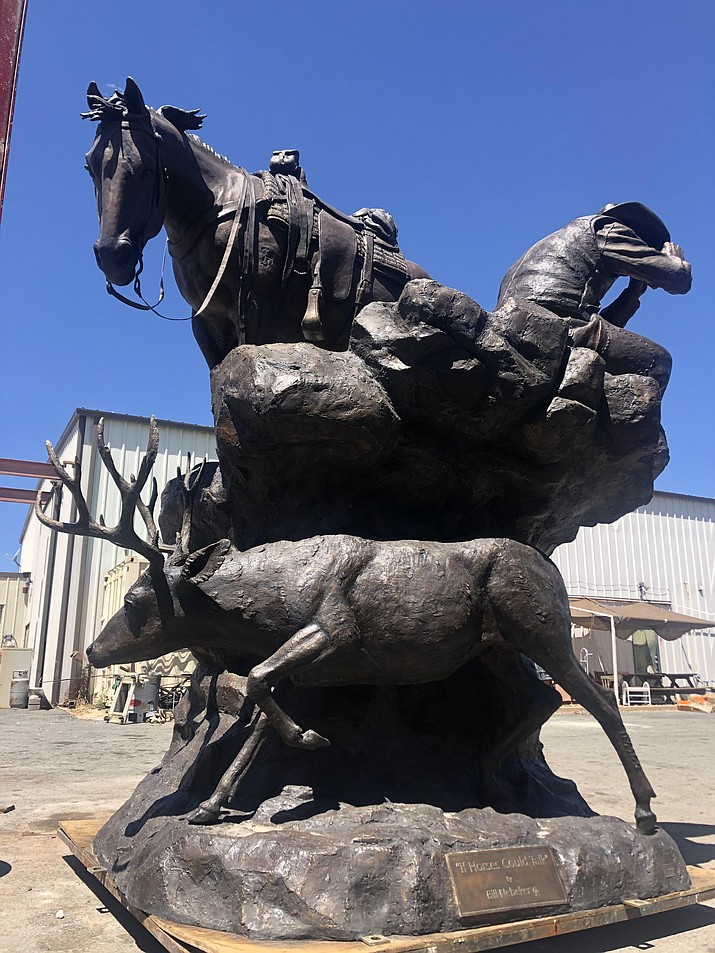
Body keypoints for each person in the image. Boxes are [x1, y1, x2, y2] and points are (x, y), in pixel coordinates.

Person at [496, 203, 692, 388]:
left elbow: (601, 327)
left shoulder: (567, 238)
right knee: (658, 360)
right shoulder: (609, 229)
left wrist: (633, 292)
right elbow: (677, 279)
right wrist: (673, 260)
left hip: (523, 318)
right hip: (552, 321)